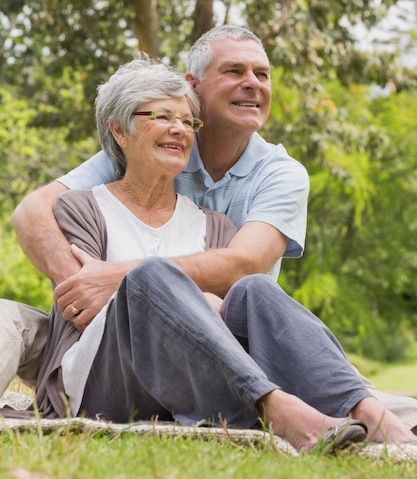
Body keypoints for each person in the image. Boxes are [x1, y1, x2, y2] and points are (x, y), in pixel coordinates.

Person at [6, 25, 417, 432]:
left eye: (262, 74)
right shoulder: (87, 201)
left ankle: (370, 414)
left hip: (218, 357)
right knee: (149, 274)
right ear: (121, 131)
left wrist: (120, 280)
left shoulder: (249, 200)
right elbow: (32, 214)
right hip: (99, 374)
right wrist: (81, 289)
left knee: (250, 287)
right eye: (235, 71)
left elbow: (244, 267)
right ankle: (279, 410)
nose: (252, 84)